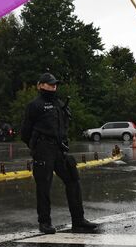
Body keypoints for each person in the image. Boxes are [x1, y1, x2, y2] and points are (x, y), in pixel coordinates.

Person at [21, 72, 98, 234]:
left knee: (73, 179)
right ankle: (45, 222)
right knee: (44, 186)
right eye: (50, 84)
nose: (53, 86)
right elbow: (25, 133)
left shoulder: (59, 103)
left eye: (55, 84)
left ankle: (78, 220)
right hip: (43, 150)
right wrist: (36, 147)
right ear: (40, 85)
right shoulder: (35, 105)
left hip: (60, 149)